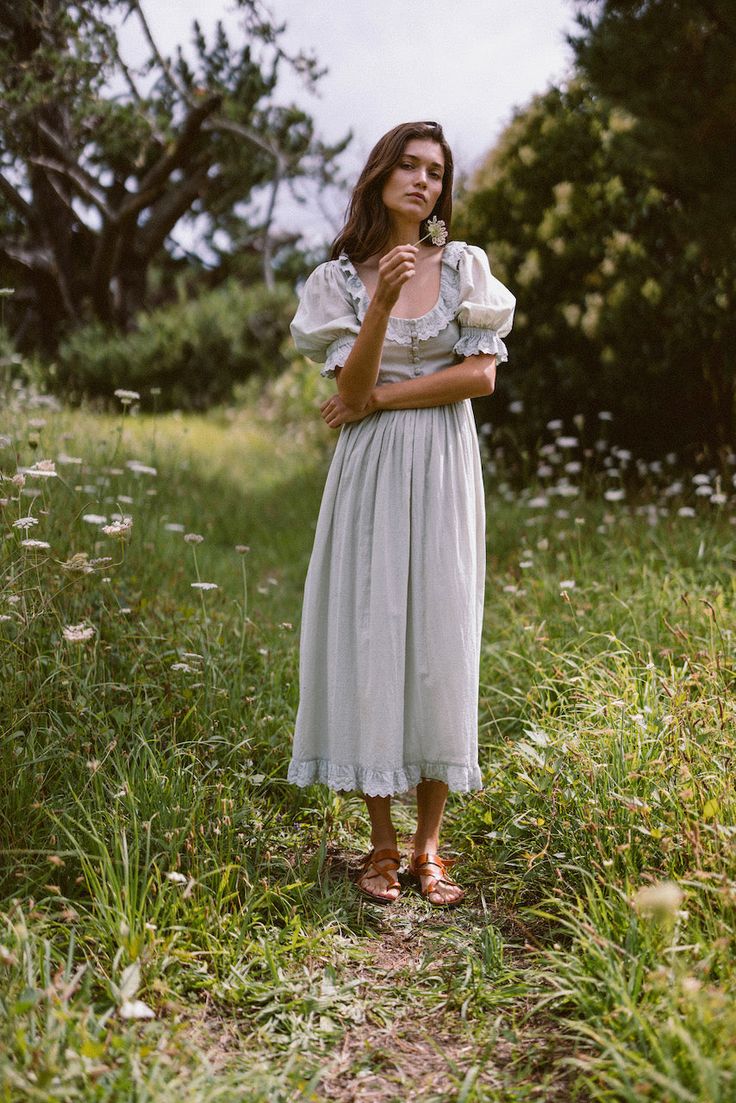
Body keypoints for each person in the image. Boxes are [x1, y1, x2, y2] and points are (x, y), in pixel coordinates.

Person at [286, 120, 515, 907]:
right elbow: (343, 394)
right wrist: (382, 299)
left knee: (439, 635)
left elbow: (479, 377)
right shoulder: (340, 281)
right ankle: (380, 846)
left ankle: (429, 847)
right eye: (410, 167)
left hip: (444, 464)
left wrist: (381, 395)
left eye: (436, 172)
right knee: (375, 631)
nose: (423, 181)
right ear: (382, 175)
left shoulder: (466, 267)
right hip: (371, 473)